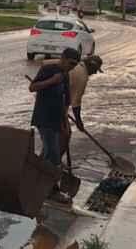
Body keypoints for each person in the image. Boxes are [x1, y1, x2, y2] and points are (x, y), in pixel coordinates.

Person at [29, 47, 80, 204]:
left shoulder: (65, 75)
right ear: (63, 58)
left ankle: (33, 182)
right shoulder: (48, 69)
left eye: (75, 65)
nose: (72, 67)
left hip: (56, 120)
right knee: (53, 155)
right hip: (44, 118)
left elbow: (66, 101)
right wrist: (51, 81)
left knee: (47, 155)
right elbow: (33, 87)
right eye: (70, 63)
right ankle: (52, 191)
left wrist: (65, 123)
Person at [43, 55, 104, 160]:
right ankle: (51, 162)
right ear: (90, 66)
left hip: (50, 100)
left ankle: (47, 160)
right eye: (95, 70)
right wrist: (79, 122)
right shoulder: (82, 76)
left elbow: (45, 63)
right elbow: (76, 104)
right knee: (64, 135)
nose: (95, 73)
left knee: (54, 135)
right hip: (52, 103)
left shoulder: (77, 66)